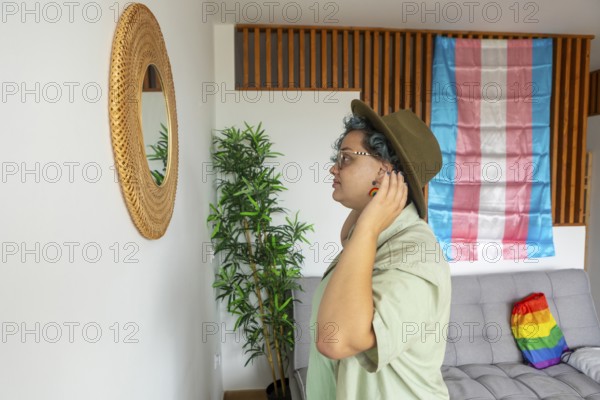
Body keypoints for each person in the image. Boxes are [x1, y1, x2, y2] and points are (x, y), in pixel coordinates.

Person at [305, 99, 451, 399]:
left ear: (385, 172)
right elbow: (349, 236)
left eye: (346, 159)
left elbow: (336, 340)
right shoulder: (371, 238)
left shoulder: (413, 255)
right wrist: (371, 216)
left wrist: (370, 223)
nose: (334, 168)